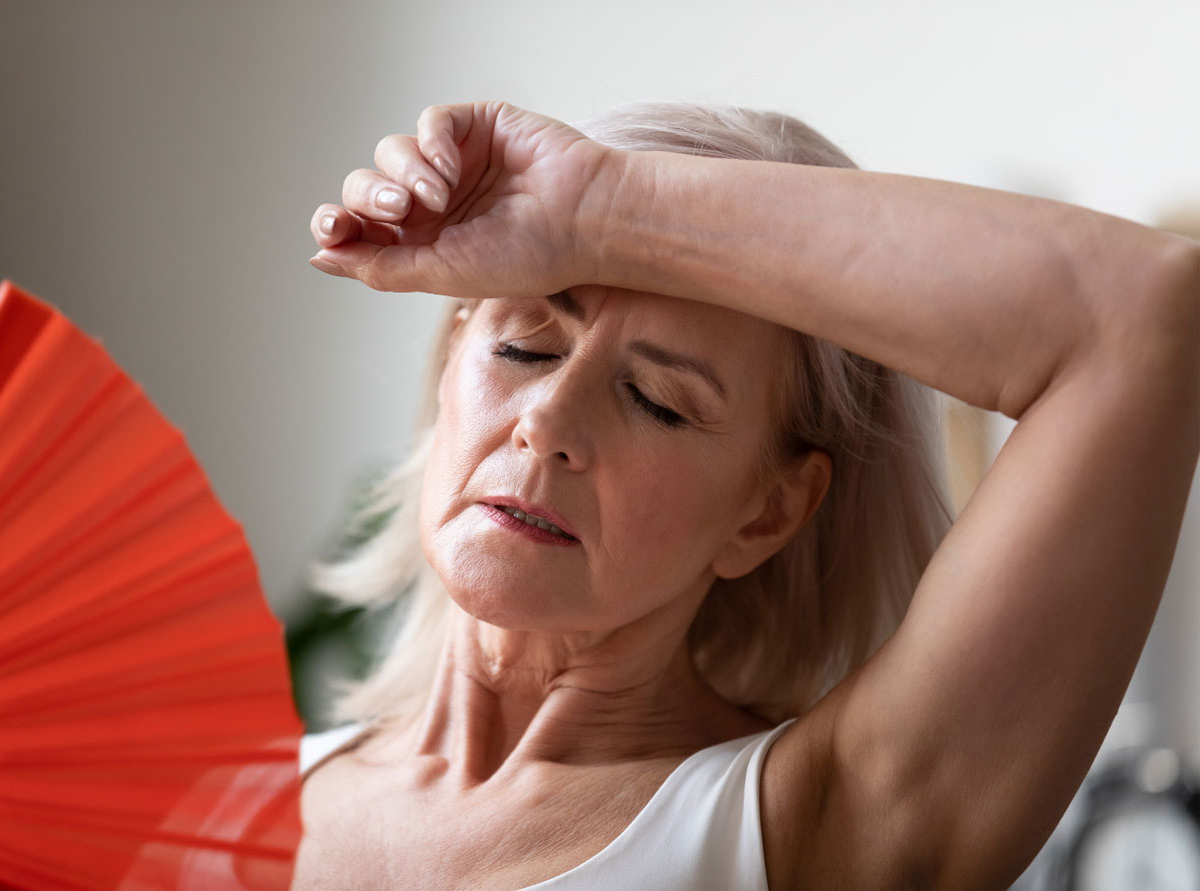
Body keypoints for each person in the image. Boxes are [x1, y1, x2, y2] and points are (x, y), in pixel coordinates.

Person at [294, 100, 1199, 889]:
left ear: (767, 513)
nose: (547, 421)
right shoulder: (230, 784)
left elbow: (1141, 315)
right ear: (451, 356)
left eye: (658, 402)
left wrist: (598, 204)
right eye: (523, 347)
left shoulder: (814, 828)